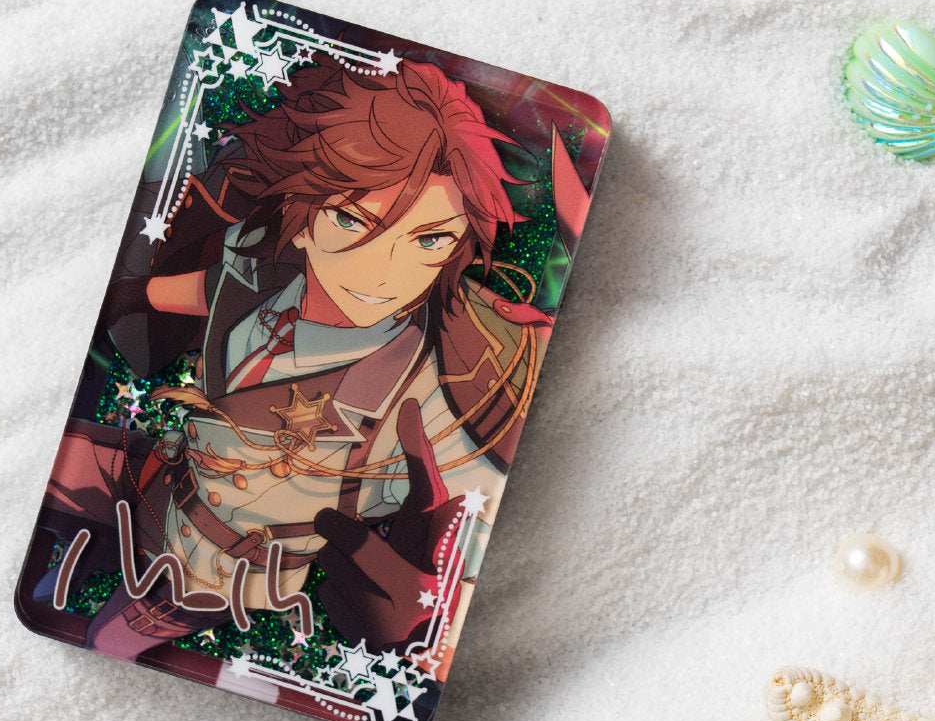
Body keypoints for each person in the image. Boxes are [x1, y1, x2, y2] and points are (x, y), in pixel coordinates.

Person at [32, 58, 561, 662]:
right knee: (52, 477)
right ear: (303, 218)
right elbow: (207, 291)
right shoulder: (265, 271)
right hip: (161, 479)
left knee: (96, 643)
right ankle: (84, 559)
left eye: (429, 239)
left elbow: (466, 529)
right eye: (351, 219)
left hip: (215, 570)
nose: (383, 273)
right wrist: (121, 294)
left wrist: (427, 602)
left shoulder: (435, 402)